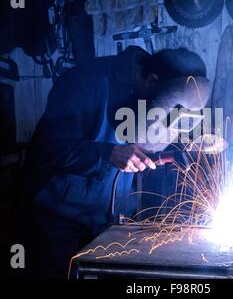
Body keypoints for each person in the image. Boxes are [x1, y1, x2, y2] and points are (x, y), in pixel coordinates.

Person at [17, 45, 208, 279]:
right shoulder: (85, 82)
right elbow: (47, 150)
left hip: (107, 223)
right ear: (151, 81)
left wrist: (192, 143)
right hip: (56, 219)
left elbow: (154, 135)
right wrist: (107, 154)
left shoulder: (149, 95)